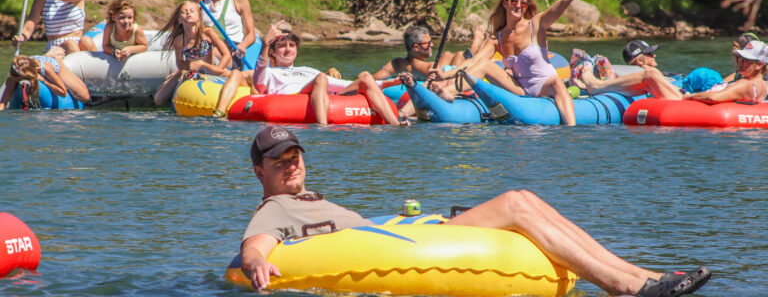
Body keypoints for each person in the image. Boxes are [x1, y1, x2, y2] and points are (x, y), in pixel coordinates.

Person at [239, 125, 711, 296]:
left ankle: (638, 275)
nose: (291, 163)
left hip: (415, 231)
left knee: (526, 201)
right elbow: (255, 247)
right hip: (423, 246)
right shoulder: (275, 206)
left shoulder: (310, 198)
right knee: (516, 202)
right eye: (279, 160)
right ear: (260, 172)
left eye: (295, 154)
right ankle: (627, 285)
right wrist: (258, 264)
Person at [429, 0, 603, 125]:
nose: (518, 6)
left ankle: (570, 128)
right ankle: (448, 92)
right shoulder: (496, 38)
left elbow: (564, 1)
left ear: (526, 7)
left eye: (523, 3)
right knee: (483, 63)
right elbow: (473, 62)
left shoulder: (536, 24)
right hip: (519, 87)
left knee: (558, 82)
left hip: (544, 84)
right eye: (514, 1)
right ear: (505, 3)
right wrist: (445, 75)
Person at [212, 21, 406, 125]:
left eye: (292, 45)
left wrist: (394, 82)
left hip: (322, 90)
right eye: (282, 46)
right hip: (294, 98)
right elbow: (260, 80)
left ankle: (395, 125)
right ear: (273, 52)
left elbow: (340, 85)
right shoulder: (270, 73)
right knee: (321, 77)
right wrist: (265, 44)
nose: (288, 49)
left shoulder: (307, 70)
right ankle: (322, 126)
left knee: (364, 76)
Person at [153, 1, 231, 105]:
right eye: (184, 12)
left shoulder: (208, 33)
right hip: (192, 71)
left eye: (192, 11)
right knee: (158, 99)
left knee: (234, 76)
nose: (188, 13)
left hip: (211, 68)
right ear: (179, 20)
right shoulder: (180, 40)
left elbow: (226, 54)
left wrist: (217, 71)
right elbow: (180, 62)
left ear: (199, 16)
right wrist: (184, 71)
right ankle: (175, 80)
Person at [570, 40, 683, 98]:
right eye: (650, 54)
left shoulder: (654, 74)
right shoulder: (644, 72)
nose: (654, 55)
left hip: (677, 93)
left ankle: (595, 84)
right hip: (640, 81)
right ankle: (595, 84)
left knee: (651, 75)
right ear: (639, 61)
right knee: (650, 74)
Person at [0, 55, 90, 110]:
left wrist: (43, 80)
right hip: (33, 63)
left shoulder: (45, 69)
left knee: (85, 97)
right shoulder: (14, 74)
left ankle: (57, 58)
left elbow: (63, 92)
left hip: (55, 67)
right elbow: (3, 103)